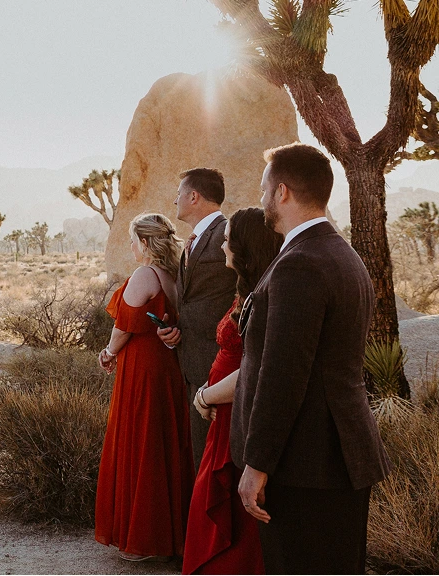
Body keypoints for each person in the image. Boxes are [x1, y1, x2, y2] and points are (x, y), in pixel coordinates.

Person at [232, 143, 390, 573]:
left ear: (282, 192)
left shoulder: (300, 264)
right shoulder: (343, 254)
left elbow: (283, 375)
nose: (262, 199)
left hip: (304, 464)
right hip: (335, 457)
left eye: (265, 189)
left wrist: (257, 465)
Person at [181, 207, 281, 575]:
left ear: (244, 246)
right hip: (221, 406)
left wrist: (207, 395)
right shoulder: (245, 290)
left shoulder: (265, 294)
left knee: (226, 504)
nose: (222, 245)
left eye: (227, 240)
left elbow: (253, 368)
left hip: (235, 410)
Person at [95, 213, 194, 562]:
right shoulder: (173, 277)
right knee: (163, 441)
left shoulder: (145, 275)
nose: (131, 246)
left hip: (143, 369)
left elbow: (123, 327)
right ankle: (170, 536)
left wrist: (108, 352)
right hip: (166, 367)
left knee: (141, 440)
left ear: (147, 243)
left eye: (134, 239)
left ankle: (143, 540)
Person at [158, 168, 237, 470]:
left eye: (179, 193)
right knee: (199, 455)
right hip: (191, 363)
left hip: (220, 365)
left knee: (218, 460)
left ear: (194, 196)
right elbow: (192, 299)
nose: (175, 199)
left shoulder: (227, 233)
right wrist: (174, 330)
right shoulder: (190, 242)